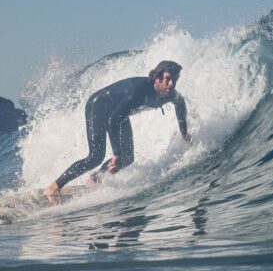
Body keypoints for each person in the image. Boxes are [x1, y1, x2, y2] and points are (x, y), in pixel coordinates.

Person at [45, 60, 192, 203]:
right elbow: (113, 121)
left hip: (119, 113)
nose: (171, 84)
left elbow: (180, 104)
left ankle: (94, 179)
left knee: (127, 158)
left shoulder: (170, 94)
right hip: (99, 105)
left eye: (175, 79)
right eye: (167, 79)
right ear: (157, 78)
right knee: (96, 156)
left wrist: (184, 132)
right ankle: (54, 187)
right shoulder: (138, 91)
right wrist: (116, 153)